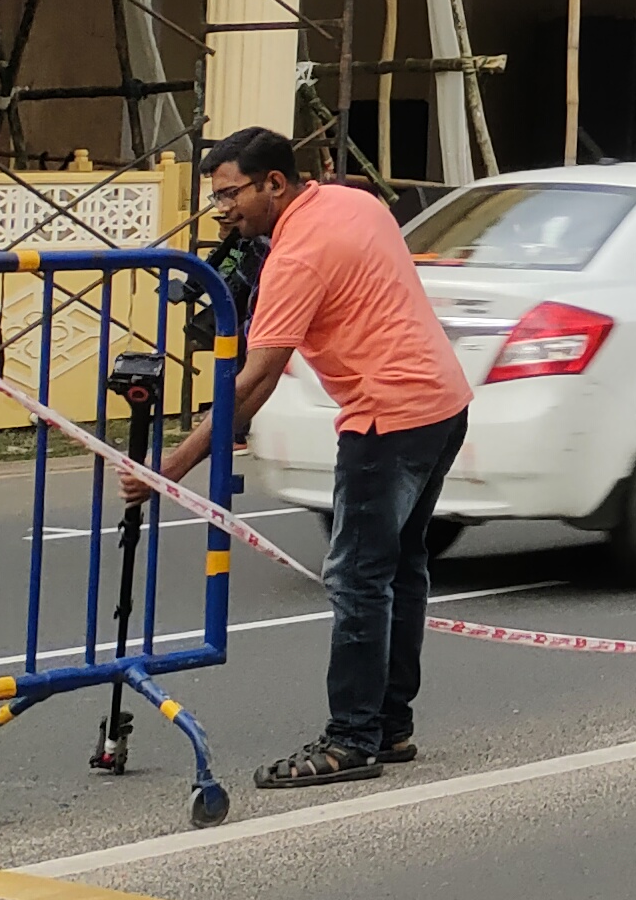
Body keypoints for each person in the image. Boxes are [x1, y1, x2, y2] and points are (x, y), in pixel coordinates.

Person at [154, 127, 469, 791]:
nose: (224, 210)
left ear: (274, 183)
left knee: (357, 578)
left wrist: (169, 467)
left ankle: (351, 739)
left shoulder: (298, 254)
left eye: (232, 194)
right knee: (398, 569)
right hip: (442, 403)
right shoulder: (352, 202)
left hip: (389, 418)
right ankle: (391, 723)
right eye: (216, 198)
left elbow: (256, 382)